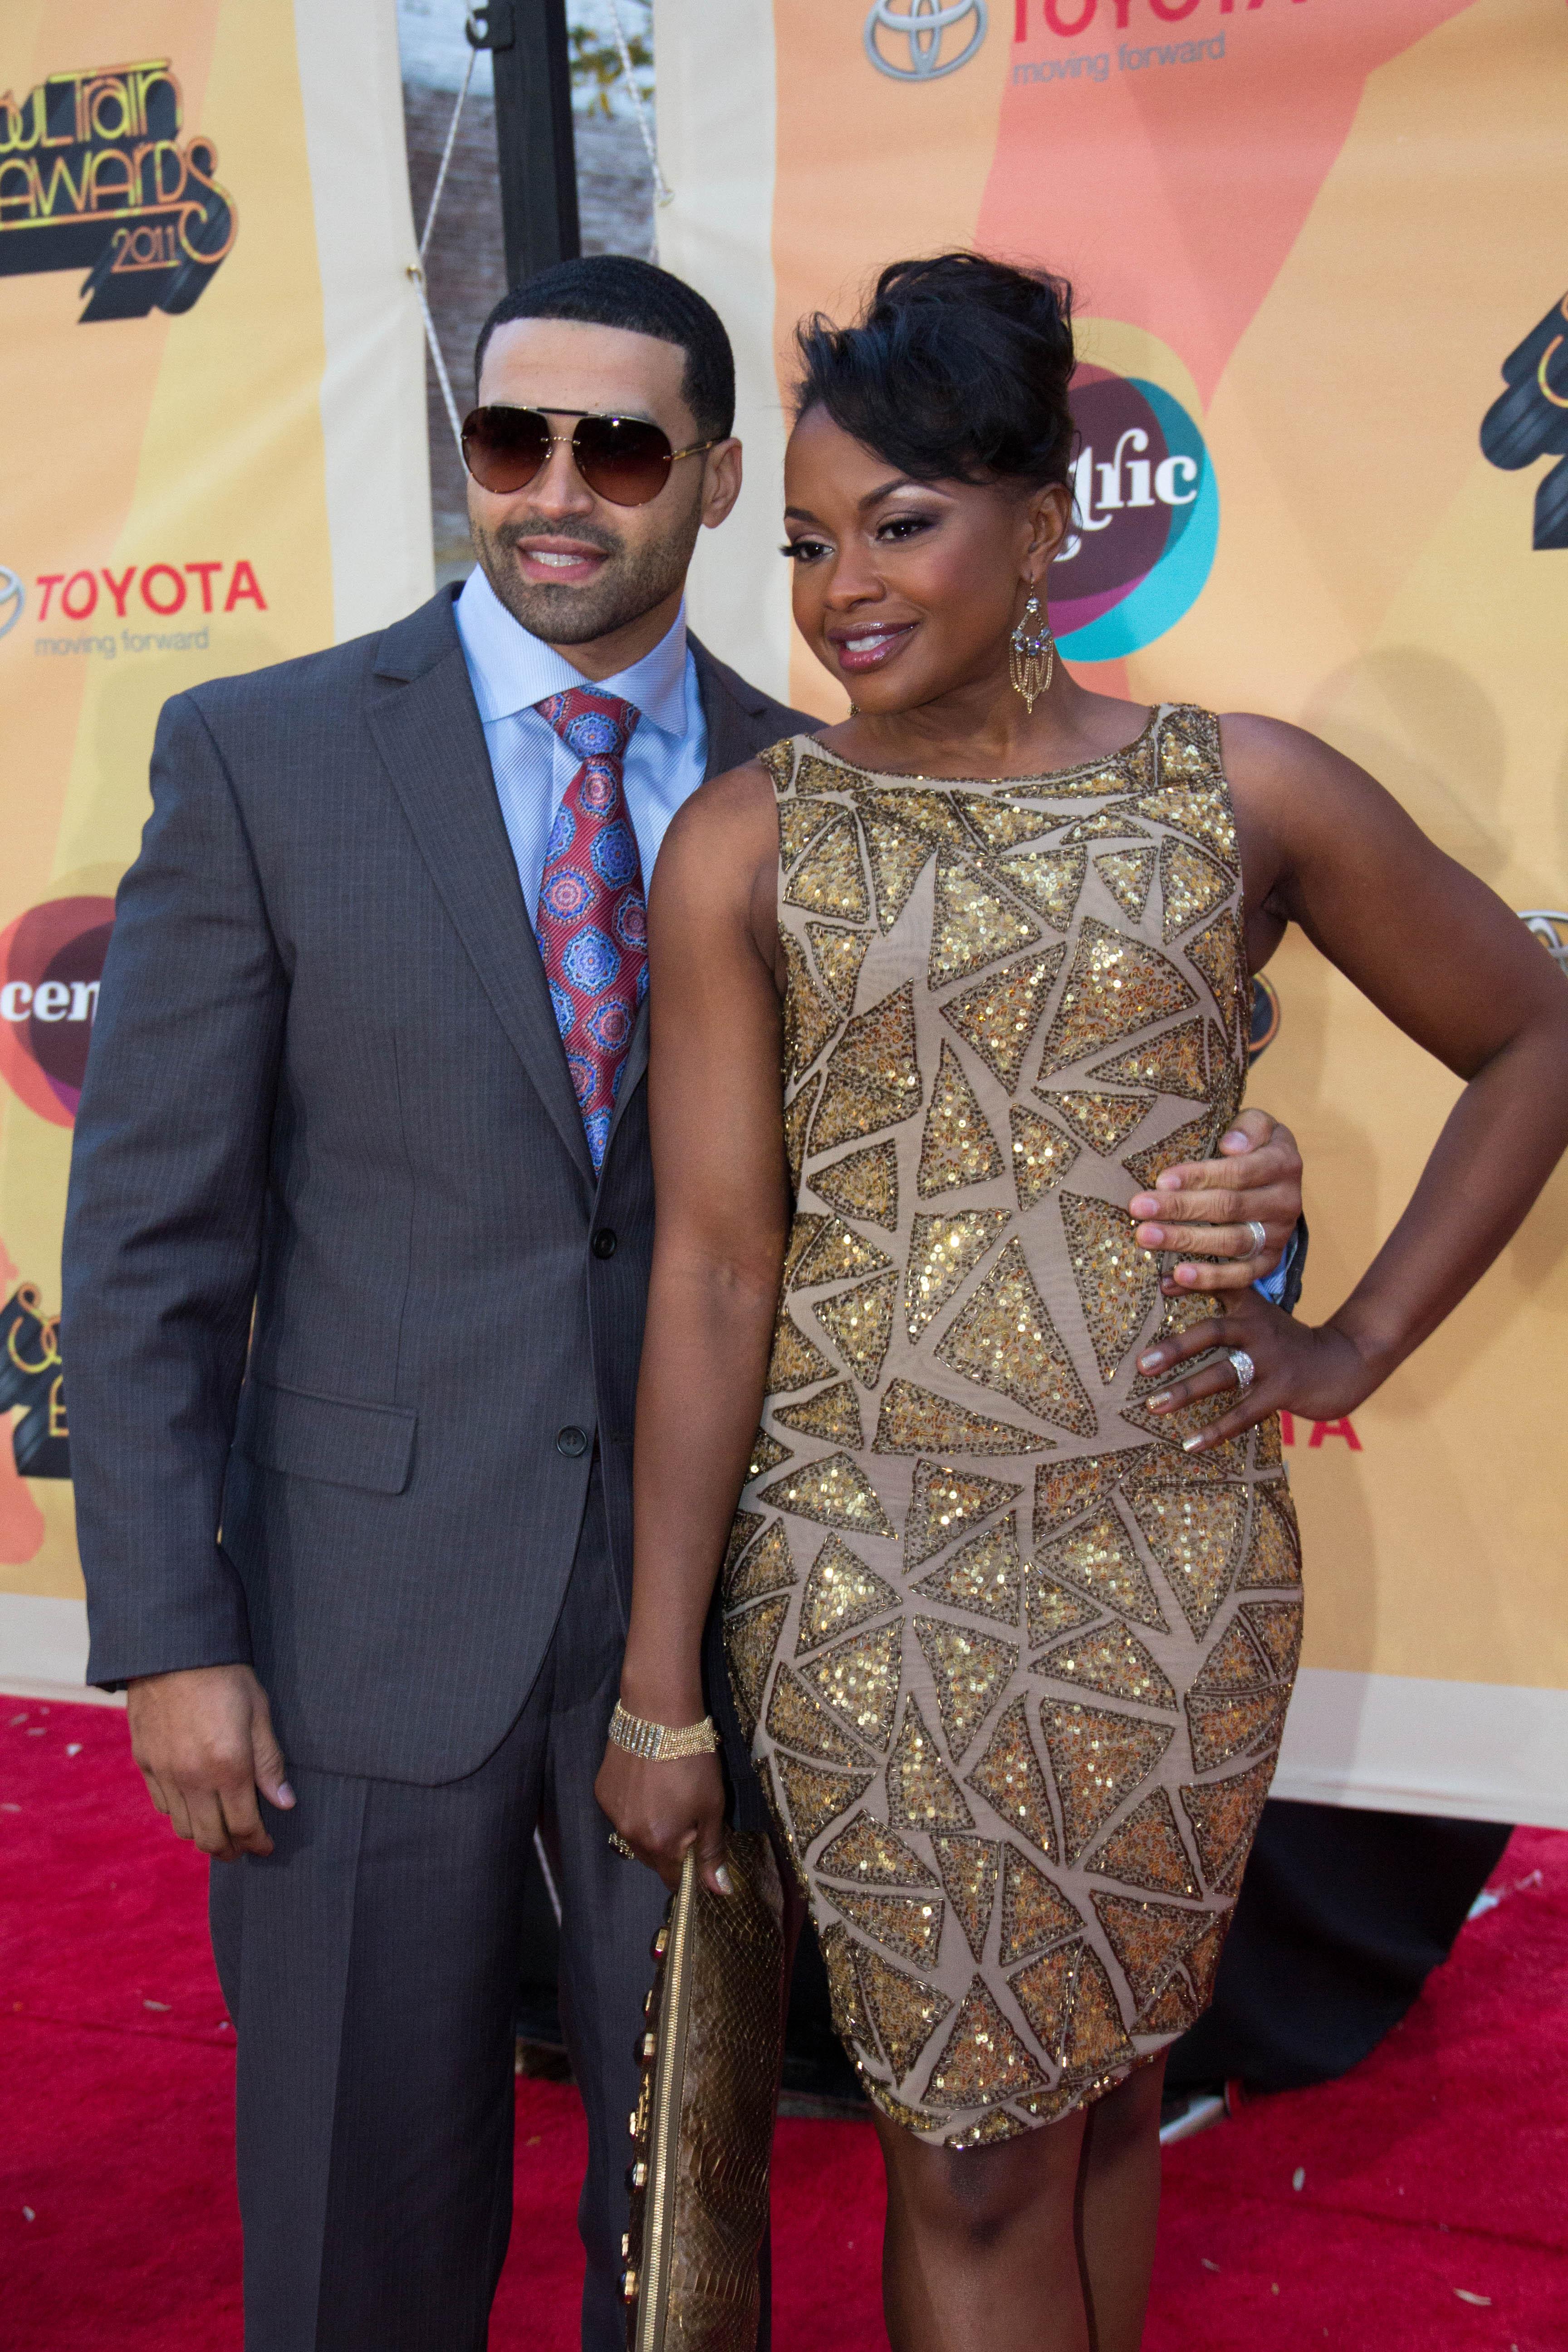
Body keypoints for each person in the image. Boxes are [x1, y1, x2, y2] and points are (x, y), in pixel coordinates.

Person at [62, 254, 1303, 2352]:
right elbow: (151, 1239)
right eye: (507, 436)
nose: (557, 488)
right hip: (369, 1612)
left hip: (736, 1621)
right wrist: (173, 1636)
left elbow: (990, 1156)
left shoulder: (825, 775)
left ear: (716, 479)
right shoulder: (263, 756)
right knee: (359, 2215)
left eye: (617, 443)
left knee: (684, 2224)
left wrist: (1251, 1198)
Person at [596, 252, 1568, 2352]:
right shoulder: (747, 846)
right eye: (813, 540)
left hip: (1167, 1571)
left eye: (906, 523)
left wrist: (1351, 1341)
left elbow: (1533, 1035)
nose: (845, 584)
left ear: (1048, 523)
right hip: (867, 1579)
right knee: (963, 2142)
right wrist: (661, 1674)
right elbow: (712, 1265)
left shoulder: (1245, 791)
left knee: (1108, 2071)